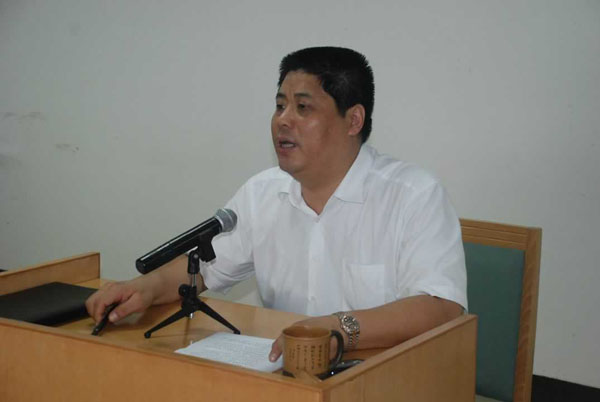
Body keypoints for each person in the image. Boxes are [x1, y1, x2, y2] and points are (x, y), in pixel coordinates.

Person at [86, 46, 467, 363]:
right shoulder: (262, 193)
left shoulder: (414, 195)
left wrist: (337, 327)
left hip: (383, 378)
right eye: (280, 105)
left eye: (303, 108)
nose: (283, 121)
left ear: (353, 120)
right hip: (286, 376)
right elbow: (203, 267)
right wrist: (145, 288)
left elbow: (442, 308)